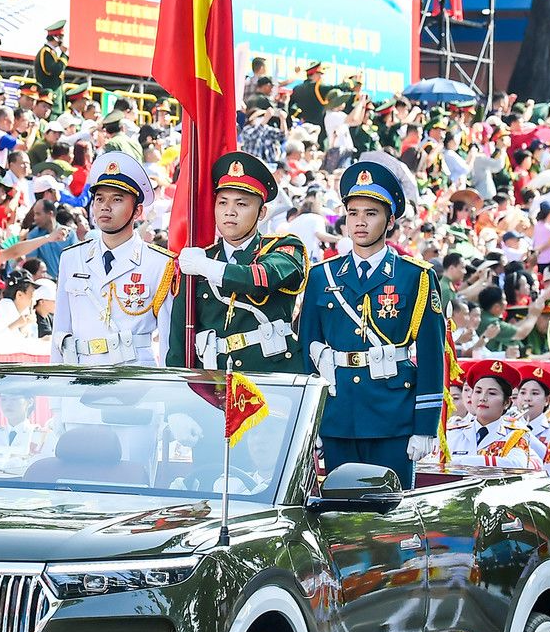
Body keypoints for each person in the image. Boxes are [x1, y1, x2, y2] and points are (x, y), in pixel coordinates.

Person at [297, 152, 446, 486]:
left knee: (391, 510)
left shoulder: (415, 276)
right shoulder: (322, 275)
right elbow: (308, 348)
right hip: (337, 415)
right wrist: (310, 419)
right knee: (339, 509)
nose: (360, 222)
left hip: (393, 414)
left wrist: (425, 426)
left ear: (390, 221)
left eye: (371, 213)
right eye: (353, 213)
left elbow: (432, 356)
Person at [166, 152, 308, 373]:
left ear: (261, 212)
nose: (229, 212)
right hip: (214, 378)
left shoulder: (283, 247)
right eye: (222, 203)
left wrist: (204, 266)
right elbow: (179, 338)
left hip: (270, 375)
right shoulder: (201, 258)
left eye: (241, 204)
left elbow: (260, 279)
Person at [51, 151, 172, 367]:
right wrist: (57, 385)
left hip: (134, 375)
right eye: (99, 199)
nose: (105, 206)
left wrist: (164, 387)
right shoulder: (72, 257)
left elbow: (168, 341)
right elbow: (60, 331)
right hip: (82, 373)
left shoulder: (159, 263)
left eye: (117, 199)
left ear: (137, 211)